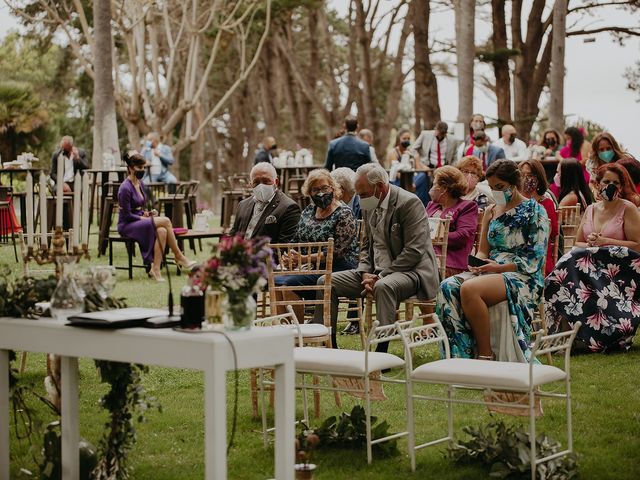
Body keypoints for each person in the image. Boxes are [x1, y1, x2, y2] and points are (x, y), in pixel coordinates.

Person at [314, 163, 440, 351]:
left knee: (383, 286)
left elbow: (414, 251)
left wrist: (381, 276)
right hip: (374, 271)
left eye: (363, 194)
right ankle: (329, 344)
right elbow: (365, 245)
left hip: (411, 271)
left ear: (380, 187)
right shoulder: (369, 204)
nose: (360, 199)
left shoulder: (409, 203)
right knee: (326, 282)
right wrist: (365, 271)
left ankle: (382, 352)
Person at [438, 160, 549, 360]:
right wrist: (477, 262)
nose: (496, 192)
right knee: (447, 286)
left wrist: (499, 268)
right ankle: (459, 355)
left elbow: (535, 259)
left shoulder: (535, 211)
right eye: (491, 188)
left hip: (521, 274)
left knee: (470, 289)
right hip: (490, 270)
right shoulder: (491, 210)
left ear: (514, 183)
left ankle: (485, 354)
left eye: (500, 187)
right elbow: (483, 251)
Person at [545, 163, 640, 352]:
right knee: (568, 263)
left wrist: (605, 241)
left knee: (572, 262)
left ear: (621, 187)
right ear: (597, 183)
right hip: (590, 265)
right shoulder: (591, 209)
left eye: (615, 182)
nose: (610, 186)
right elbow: (578, 243)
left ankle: (597, 336)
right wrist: (590, 243)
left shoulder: (627, 208)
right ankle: (565, 334)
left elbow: (637, 244)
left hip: (620, 268)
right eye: (606, 181)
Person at [274, 169, 358, 331]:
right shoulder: (308, 212)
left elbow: (338, 252)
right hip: (310, 268)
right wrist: (289, 255)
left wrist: (305, 259)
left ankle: (299, 336)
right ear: (309, 192)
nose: (321, 193)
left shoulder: (344, 213)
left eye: (325, 188)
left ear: (333, 188)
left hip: (338, 268)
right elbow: (296, 239)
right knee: (277, 282)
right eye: (315, 189)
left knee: (289, 284)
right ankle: (285, 335)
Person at [118, 151, 196, 282]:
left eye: (143, 168)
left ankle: (156, 269)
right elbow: (126, 215)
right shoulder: (125, 188)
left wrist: (147, 214)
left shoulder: (140, 183)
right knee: (166, 220)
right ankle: (179, 255)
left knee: (162, 231)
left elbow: (137, 209)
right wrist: (143, 218)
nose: (142, 170)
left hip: (137, 219)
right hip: (127, 225)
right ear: (131, 168)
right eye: (139, 168)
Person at [426, 166, 478, 277]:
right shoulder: (432, 205)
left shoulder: (467, 206)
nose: (432, 188)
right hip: (426, 257)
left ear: (444, 188)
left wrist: (433, 235)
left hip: (449, 262)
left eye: (435, 184)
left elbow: (462, 236)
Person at [230, 162, 301, 242]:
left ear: (276, 182)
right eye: (256, 182)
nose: (261, 186)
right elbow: (232, 236)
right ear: (251, 185)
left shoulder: (288, 207)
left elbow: (284, 246)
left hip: (267, 254)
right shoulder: (242, 205)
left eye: (266, 181)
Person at [331, 167, 362, 335]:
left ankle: (354, 320)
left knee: (356, 265)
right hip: (339, 251)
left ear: (340, 189)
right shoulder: (331, 207)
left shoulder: (362, 204)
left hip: (359, 254)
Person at [518, 160, 558, 276]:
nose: (525, 178)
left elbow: (553, 233)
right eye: (521, 174)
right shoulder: (512, 202)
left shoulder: (546, 203)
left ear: (538, 178)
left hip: (538, 258)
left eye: (530, 175)